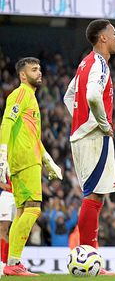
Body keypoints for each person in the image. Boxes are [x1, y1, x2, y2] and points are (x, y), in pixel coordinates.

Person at [63, 19, 115, 276]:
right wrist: (100, 122)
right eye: (114, 33)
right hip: (94, 136)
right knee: (93, 196)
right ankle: (89, 257)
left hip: (84, 134)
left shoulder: (85, 62)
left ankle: (91, 258)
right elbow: (93, 96)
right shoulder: (98, 63)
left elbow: (69, 96)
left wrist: (80, 120)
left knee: (93, 195)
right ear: (103, 38)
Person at [0, 57, 63, 276]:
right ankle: (13, 262)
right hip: (24, 161)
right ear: (23, 75)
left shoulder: (32, 99)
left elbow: (34, 137)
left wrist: (49, 162)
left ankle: (12, 263)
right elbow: (6, 122)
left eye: (39, 68)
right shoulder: (20, 94)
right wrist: (2, 154)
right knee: (33, 209)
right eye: (34, 70)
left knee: (21, 212)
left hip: (30, 159)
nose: (39, 72)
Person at [0, 176, 14, 274]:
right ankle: (2, 263)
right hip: (6, 195)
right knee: (2, 228)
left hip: (18, 194)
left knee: (13, 230)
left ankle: (9, 264)